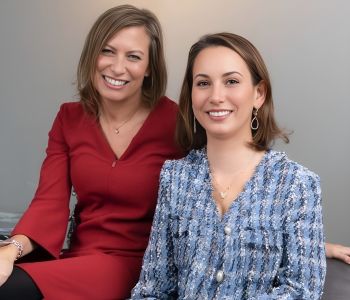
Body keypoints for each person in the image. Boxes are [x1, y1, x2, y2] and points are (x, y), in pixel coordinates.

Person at [0, 5, 182, 300]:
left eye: (133, 56)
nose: (117, 67)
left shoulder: (176, 124)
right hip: (75, 256)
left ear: (149, 67)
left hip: (135, 265)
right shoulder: (69, 118)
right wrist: (10, 251)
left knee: (9, 290)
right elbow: (50, 201)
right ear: (92, 54)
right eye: (108, 51)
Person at [131, 32, 326, 299]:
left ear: (259, 94)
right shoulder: (174, 178)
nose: (216, 96)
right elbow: (151, 289)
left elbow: (302, 291)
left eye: (231, 81)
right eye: (203, 83)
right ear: (191, 96)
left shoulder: (297, 184)